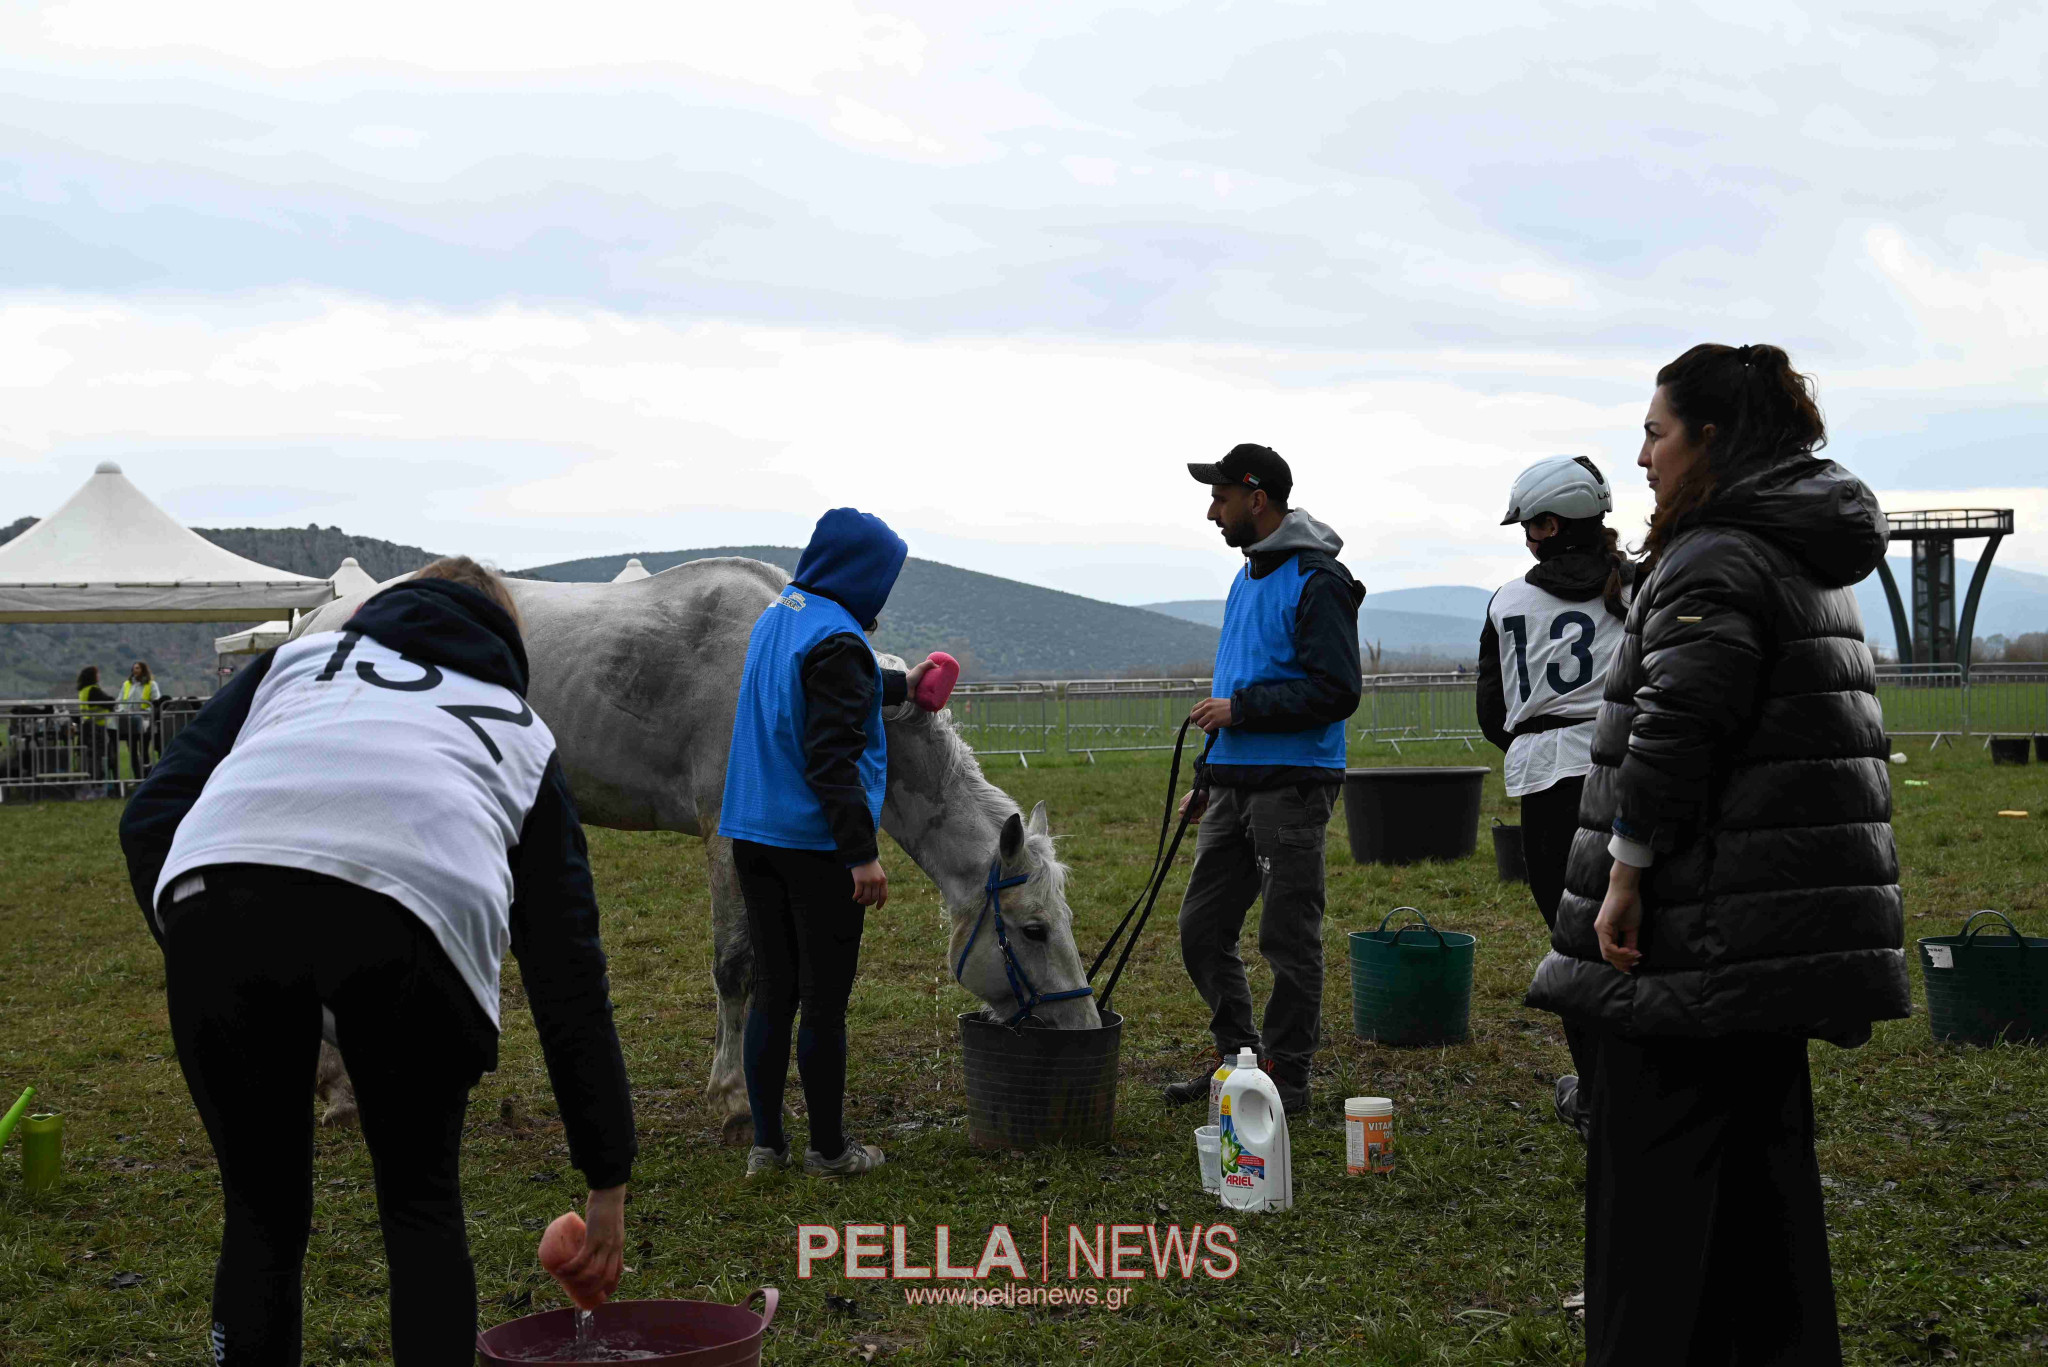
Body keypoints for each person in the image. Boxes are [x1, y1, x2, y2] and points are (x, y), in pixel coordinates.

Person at [118, 557, 636, 1364]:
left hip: (219, 892)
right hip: (415, 922)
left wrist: (204, 952)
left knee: (260, 1215)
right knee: (420, 1206)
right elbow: (568, 972)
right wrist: (607, 1173)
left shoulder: (295, 663)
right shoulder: (517, 728)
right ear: (505, 644)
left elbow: (150, 814)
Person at [1526, 344, 1909, 1366]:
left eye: (1654, 431)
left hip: (1691, 936)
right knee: (1760, 1197)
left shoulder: (1713, 555)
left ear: (1710, 438)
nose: (1639, 455)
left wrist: (1622, 873)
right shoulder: (1798, 552)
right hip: (1766, 936)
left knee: (1649, 1206)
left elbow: (1676, 728)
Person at [718, 508, 936, 1180]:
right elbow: (832, 759)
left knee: (772, 991)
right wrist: (861, 855)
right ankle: (830, 1150)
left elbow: (823, 689)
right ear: (861, 573)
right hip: (814, 845)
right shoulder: (839, 641)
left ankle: (766, 1146)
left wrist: (903, 685)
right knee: (824, 1001)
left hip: (752, 834)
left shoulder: (781, 615)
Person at [1165, 444, 1365, 1116]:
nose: (1211, 510)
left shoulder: (1319, 580)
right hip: (1232, 782)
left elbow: (1336, 690)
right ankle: (1238, 1058)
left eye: (1220, 497)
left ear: (1257, 497)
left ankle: (1287, 1078)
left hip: (1293, 786)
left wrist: (1242, 711)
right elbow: (1235, 676)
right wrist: (1208, 775)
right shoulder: (1247, 576)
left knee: (1287, 936)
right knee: (1201, 928)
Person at [1477, 456, 1632, 1138]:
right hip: (1632, 772)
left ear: (1546, 523)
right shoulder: (1638, 583)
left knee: (1574, 943)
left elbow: (1491, 711)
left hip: (1546, 782)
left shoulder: (1507, 600)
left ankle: (1599, 1096)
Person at [74, 664, 119, 786]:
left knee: (91, 756)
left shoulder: (83, 690)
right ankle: (98, 783)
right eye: (97, 674)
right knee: (98, 756)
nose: (99, 676)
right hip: (96, 727)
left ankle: (92, 782)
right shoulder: (93, 690)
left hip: (87, 726)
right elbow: (109, 701)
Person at [119, 660, 162, 779]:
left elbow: (156, 702)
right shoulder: (126, 684)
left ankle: (147, 776)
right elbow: (121, 700)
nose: (134, 670)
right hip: (129, 721)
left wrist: (147, 712)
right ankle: (137, 777)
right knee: (132, 751)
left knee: (144, 750)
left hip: (144, 722)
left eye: (137, 668)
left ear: (143, 670)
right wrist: (122, 710)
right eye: (134, 668)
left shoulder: (151, 684)